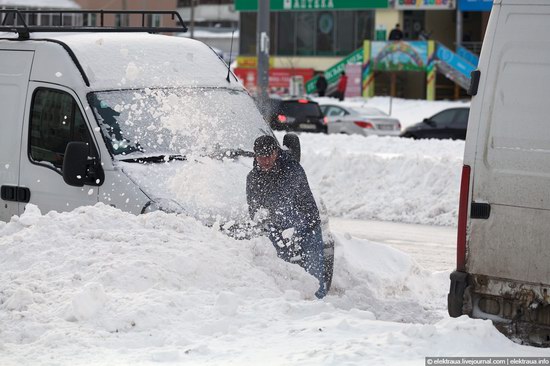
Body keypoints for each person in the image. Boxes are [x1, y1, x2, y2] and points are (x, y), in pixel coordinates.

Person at [246, 135, 326, 299]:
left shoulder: (291, 169)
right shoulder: (253, 178)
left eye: (269, 156)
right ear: (256, 156)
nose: (266, 161)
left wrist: (272, 219)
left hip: (307, 225)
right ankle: (288, 305)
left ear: (276, 153)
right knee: (282, 271)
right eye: (261, 157)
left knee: (314, 273)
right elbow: (254, 209)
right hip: (278, 228)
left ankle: (319, 306)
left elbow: (283, 200)